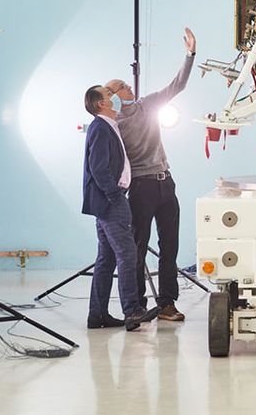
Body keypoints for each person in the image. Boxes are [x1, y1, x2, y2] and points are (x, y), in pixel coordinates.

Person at [104, 26, 196, 322]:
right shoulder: (113, 125)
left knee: (169, 246)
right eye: (124, 89)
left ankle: (167, 303)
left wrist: (190, 54)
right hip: (140, 189)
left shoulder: (147, 106)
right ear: (114, 99)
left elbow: (176, 86)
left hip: (165, 183)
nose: (131, 90)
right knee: (138, 248)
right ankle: (138, 306)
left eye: (128, 88)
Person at [81, 85, 153, 331]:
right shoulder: (101, 127)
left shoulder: (106, 125)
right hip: (112, 201)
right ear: (101, 103)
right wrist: (114, 195)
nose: (112, 95)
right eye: (107, 94)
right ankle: (132, 311)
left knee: (107, 258)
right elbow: (98, 167)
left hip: (107, 201)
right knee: (127, 254)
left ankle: (98, 315)